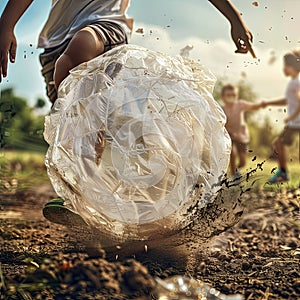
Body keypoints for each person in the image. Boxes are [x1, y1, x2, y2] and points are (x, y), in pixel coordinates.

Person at [0, 0, 255, 226]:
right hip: (54, 44)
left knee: (80, 50)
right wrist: (6, 25)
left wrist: (235, 19)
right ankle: (87, 199)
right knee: (85, 127)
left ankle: (152, 192)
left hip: (105, 25)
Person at [262, 50, 300, 184]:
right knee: (278, 143)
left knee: (278, 142)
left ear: (291, 66)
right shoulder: (293, 82)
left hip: (296, 122)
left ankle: (283, 173)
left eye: (285, 65)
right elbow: (287, 100)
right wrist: (268, 103)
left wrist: (292, 116)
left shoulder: (297, 82)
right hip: (295, 122)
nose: (283, 68)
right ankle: (283, 172)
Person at [221, 84, 264, 180]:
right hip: (230, 136)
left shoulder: (240, 104)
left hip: (242, 136)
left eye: (233, 95)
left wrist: (260, 105)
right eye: (228, 95)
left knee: (242, 161)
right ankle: (233, 174)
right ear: (223, 97)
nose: (231, 97)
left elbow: (253, 107)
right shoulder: (222, 110)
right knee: (232, 152)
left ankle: (234, 169)